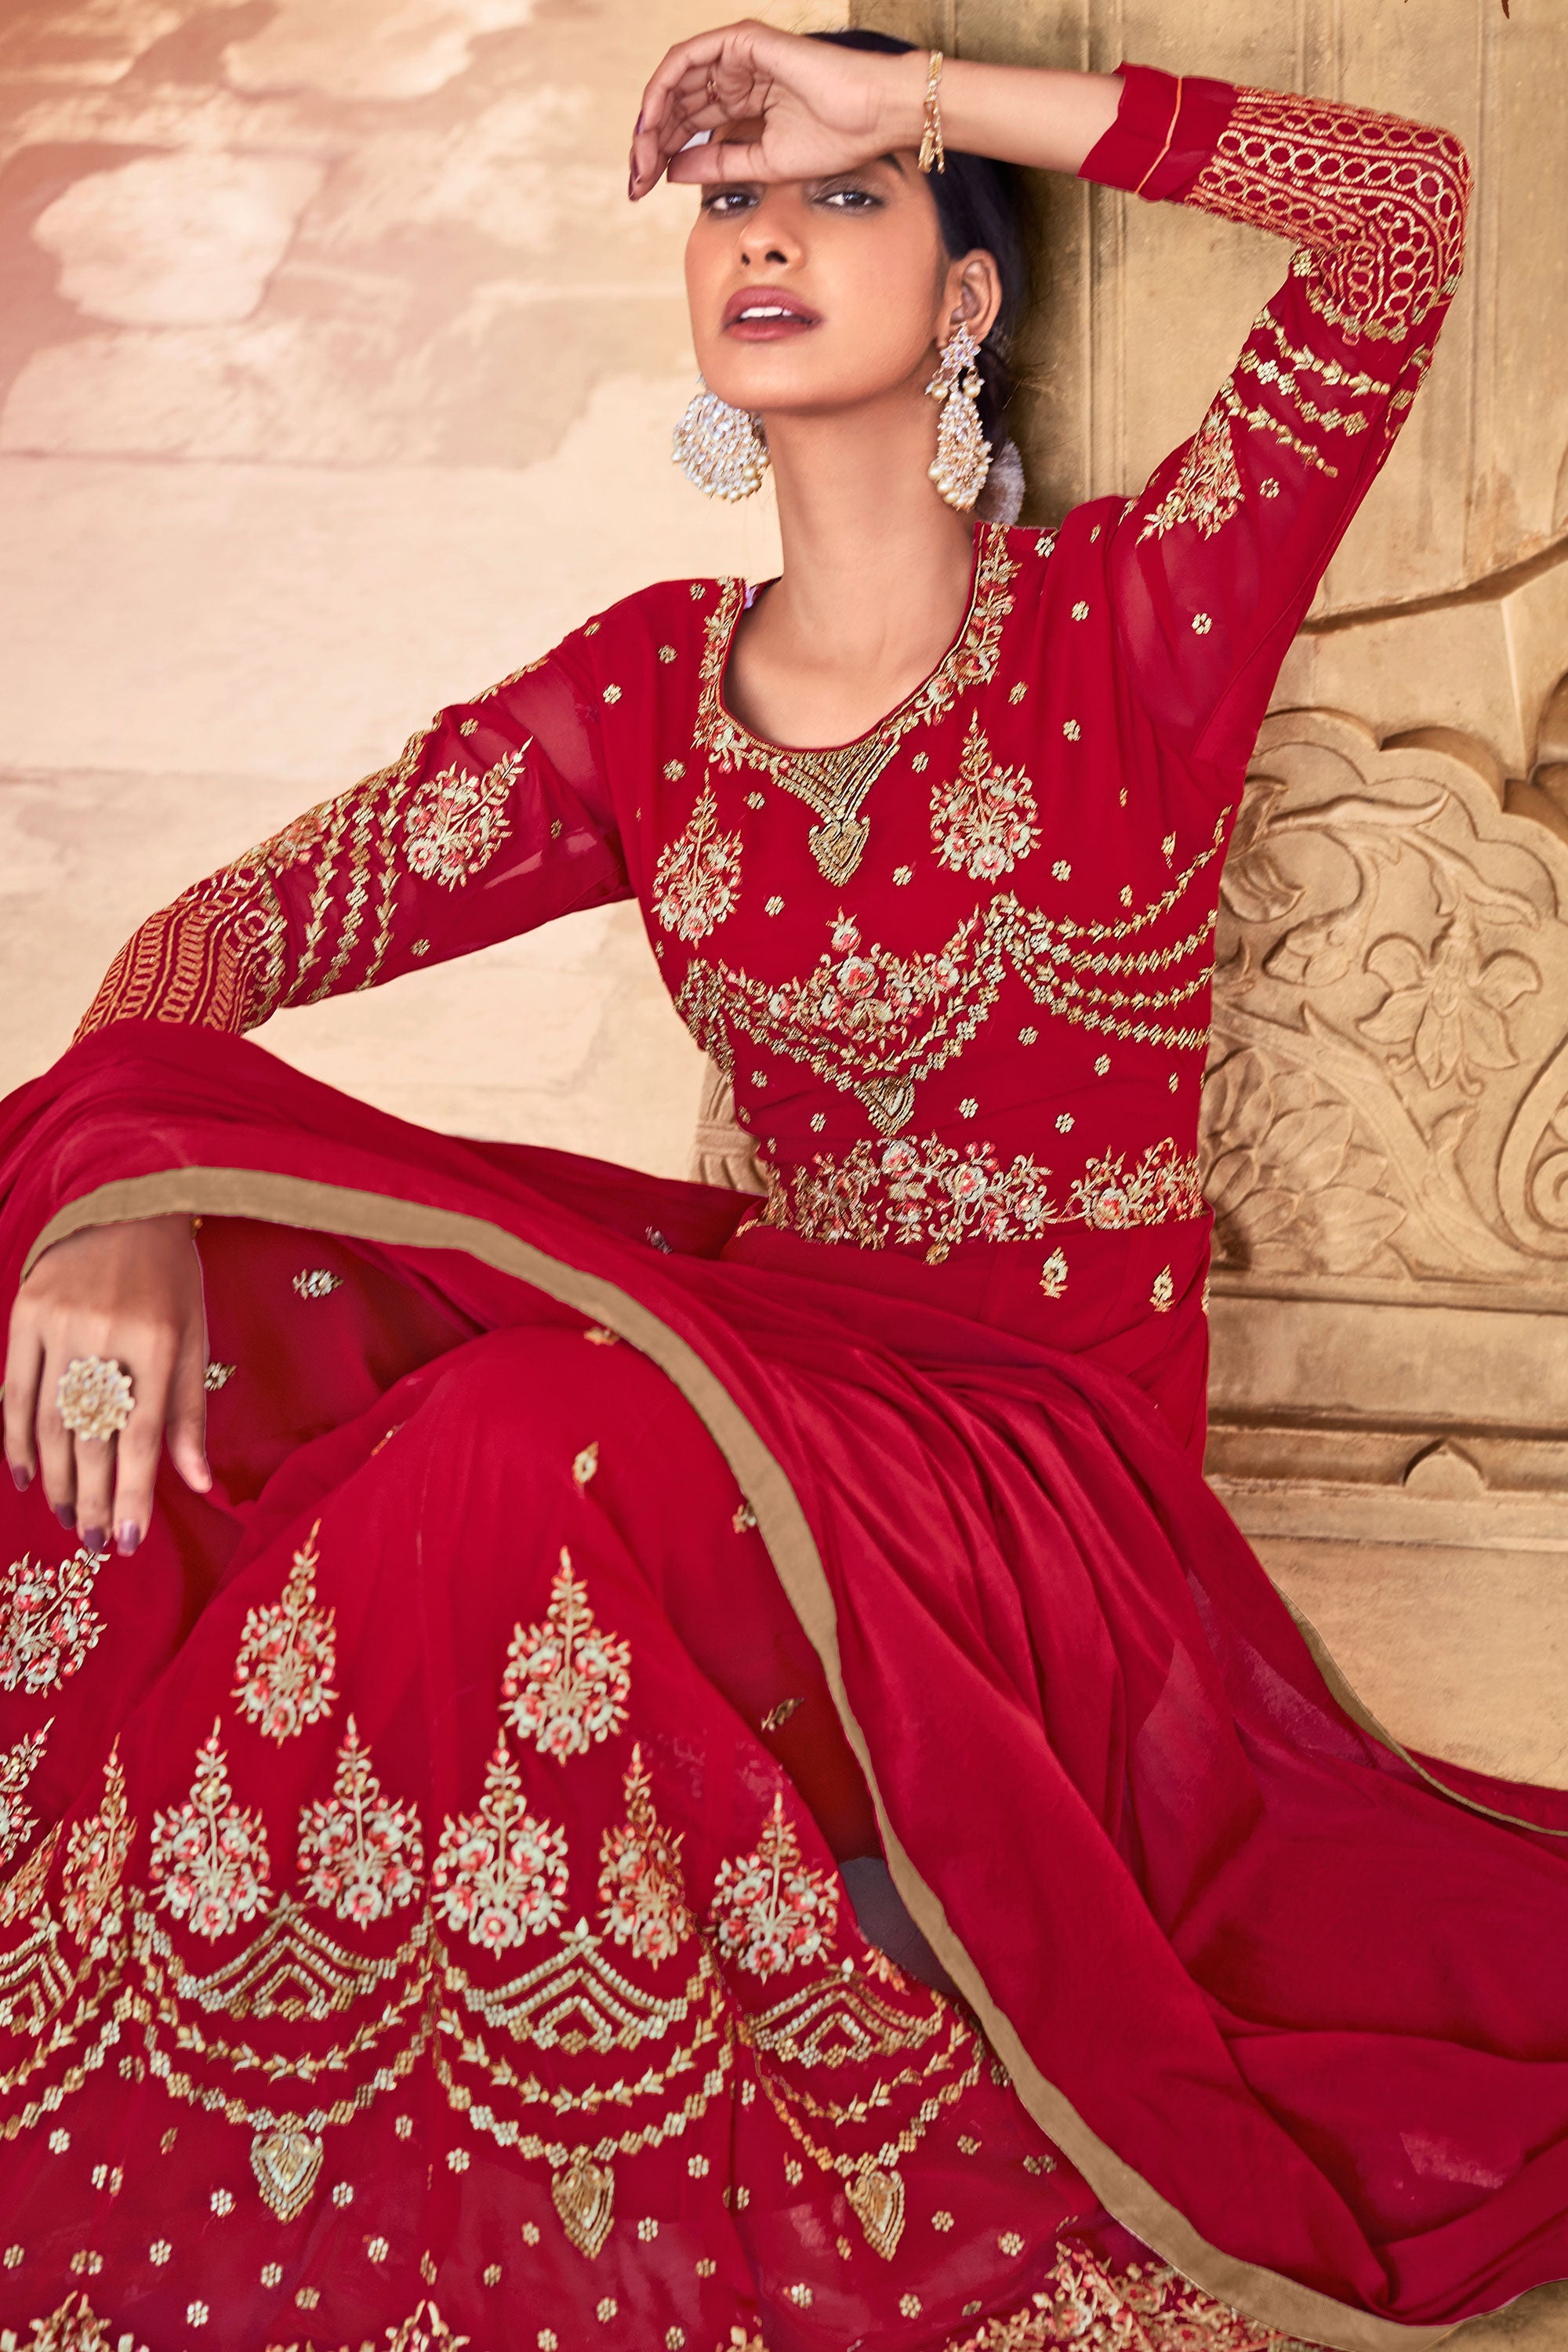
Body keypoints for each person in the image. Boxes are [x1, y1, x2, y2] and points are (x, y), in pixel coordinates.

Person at [0, 20, 1560, 2352]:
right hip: (773, 1384)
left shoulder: (1134, 625)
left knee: (521, 1425)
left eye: (842, 202)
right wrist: (123, 1189)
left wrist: (907, 95)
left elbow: (1400, 216)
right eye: (733, 201)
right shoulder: (643, 699)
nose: (769, 232)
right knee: (142, 1277)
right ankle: (234, 1986)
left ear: (966, 299)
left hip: (1035, 1477)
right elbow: (213, 943)